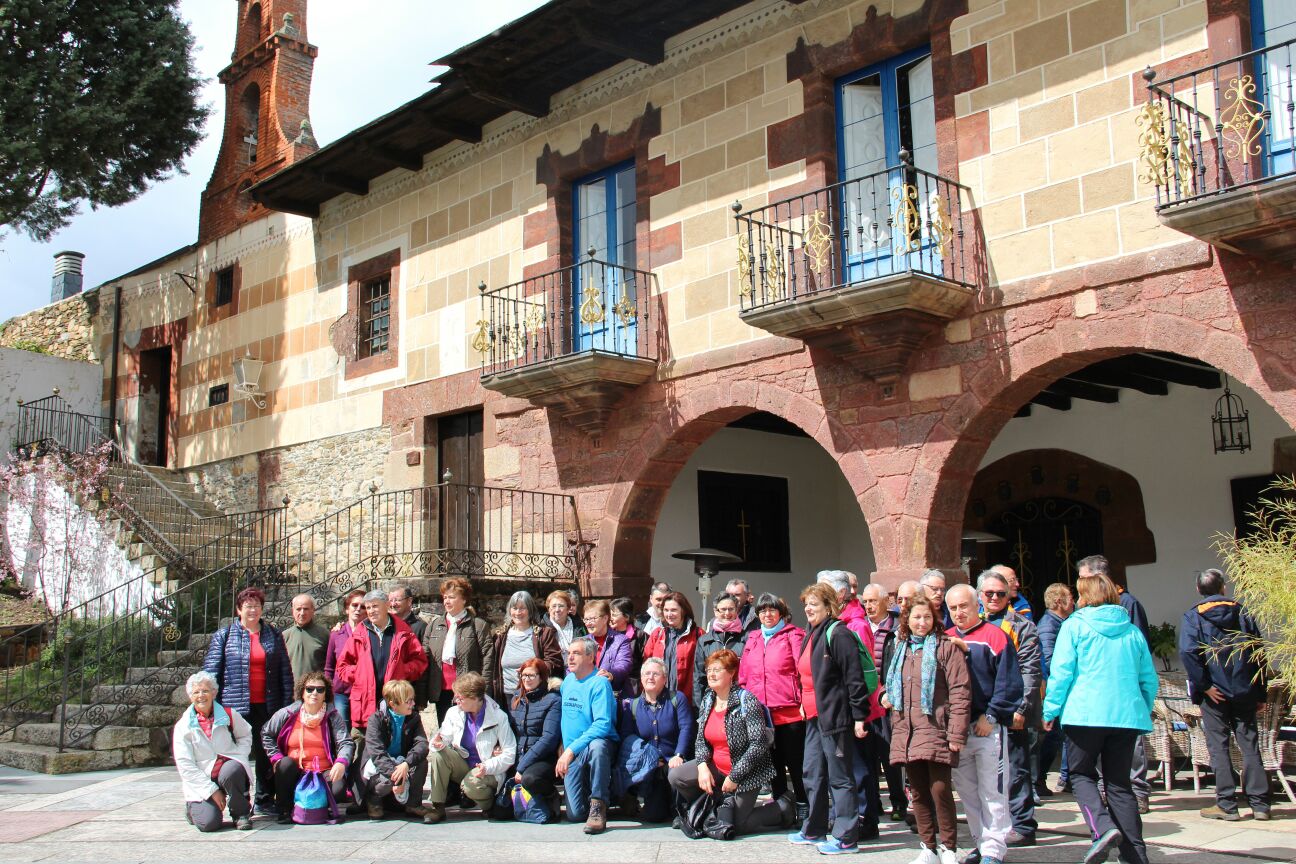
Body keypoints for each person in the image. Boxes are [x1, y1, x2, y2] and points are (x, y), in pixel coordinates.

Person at [1043, 570, 1157, 864]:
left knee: (1081, 775)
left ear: (1087, 596)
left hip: (1085, 715)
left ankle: (1102, 829)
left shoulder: (1074, 626)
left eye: (1080, 593)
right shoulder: (1131, 631)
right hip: (1125, 717)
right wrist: (1140, 706)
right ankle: (1136, 857)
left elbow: (1062, 673)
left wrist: (1050, 710)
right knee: (1120, 785)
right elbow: (1149, 679)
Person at [881, 597, 970, 864]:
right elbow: (887, 682)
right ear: (907, 620)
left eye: (927, 617)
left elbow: (960, 692)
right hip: (906, 730)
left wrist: (956, 733)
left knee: (941, 790)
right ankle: (929, 847)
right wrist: (883, 696)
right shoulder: (900, 648)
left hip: (936, 729)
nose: (922, 623)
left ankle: (950, 848)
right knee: (917, 792)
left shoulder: (945, 648)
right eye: (917, 617)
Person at [788, 582, 873, 855]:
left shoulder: (839, 634)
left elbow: (854, 677)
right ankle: (814, 828)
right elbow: (807, 676)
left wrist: (860, 716)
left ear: (829, 606)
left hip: (835, 717)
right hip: (813, 716)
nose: (808, 609)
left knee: (840, 777)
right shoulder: (812, 633)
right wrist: (802, 701)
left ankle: (846, 836)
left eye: (814, 604)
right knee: (812, 773)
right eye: (806, 604)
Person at [1179, 568, 1271, 821]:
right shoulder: (1243, 612)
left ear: (1199, 589)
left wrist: (1204, 685)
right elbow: (1258, 653)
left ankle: (1227, 804)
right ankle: (1260, 804)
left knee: (1218, 746)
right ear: (1223, 587)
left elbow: (1188, 652)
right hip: (1244, 688)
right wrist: (1260, 690)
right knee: (1249, 743)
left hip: (1214, 694)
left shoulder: (1193, 616)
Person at [669, 649, 791, 837]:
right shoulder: (708, 699)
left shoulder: (746, 700)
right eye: (709, 669)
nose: (711, 674)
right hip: (717, 766)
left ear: (732, 673)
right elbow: (701, 739)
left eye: (717, 669)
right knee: (676, 776)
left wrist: (735, 776)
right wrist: (702, 766)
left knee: (738, 825)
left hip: (747, 772)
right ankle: (714, 807)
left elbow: (758, 745)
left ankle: (782, 808)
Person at [946, 583, 1020, 864]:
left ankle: (993, 850)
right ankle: (980, 843)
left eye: (963, 606)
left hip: (987, 729)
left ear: (976, 604)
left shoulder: (996, 637)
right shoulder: (946, 637)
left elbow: (1009, 683)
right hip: (958, 732)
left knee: (993, 791)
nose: (958, 612)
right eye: (952, 608)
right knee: (967, 793)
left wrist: (991, 716)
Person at [203, 587, 294, 814]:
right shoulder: (224, 636)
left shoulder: (273, 634)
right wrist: (211, 706)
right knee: (237, 753)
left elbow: (285, 672)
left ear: (262, 609)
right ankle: (241, 801)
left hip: (268, 705)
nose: (252, 610)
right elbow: (211, 673)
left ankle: (264, 799)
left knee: (266, 753)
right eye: (248, 606)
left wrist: (285, 706)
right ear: (238, 609)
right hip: (234, 707)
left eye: (256, 606)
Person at [1078, 554, 1152, 812]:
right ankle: (1106, 791)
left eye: (1084, 578)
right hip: (1098, 696)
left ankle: (1138, 791)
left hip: (1125, 689)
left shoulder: (1127, 602)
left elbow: (1142, 649)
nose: (1080, 584)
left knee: (1131, 751)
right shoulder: (1084, 614)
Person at [979, 569, 1042, 848]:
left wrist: (1023, 707)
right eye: (989, 593)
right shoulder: (973, 622)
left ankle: (1023, 825)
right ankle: (995, 825)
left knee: (1016, 770)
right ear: (980, 595)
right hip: (983, 710)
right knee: (988, 773)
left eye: (1000, 593)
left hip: (1012, 708)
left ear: (1009, 596)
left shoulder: (1021, 625)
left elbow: (1031, 670)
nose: (994, 598)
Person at [817, 568, 882, 839]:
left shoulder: (854, 624)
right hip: (840, 710)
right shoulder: (835, 621)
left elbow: (862, 674)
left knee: (859, 767)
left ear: (841, 593)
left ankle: (866, 819)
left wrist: (859, 712)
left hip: (858, 711)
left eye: (824, 589)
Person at [738, 593, 806, 817]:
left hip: (789, 712)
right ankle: (782, 807)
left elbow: (803, 671)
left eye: (772, 610)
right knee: (773, 765)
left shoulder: (794, 635)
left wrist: (803, 700)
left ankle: (804, 805)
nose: (767, 614)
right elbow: (744, 675)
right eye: (762, 611)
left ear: (781, 613)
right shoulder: (754, 638)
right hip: (762, 714)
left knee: (796, 763)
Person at [262, 670, 353, 824]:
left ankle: (322, 806)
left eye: (320, 689)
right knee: (285, 764)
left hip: (323, 771)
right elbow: (266, 733)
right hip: (296, 771)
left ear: (326, 694)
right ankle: (285, 808)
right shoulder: (287, 713)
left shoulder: (333, 717)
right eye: (309, 689)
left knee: (338, 788)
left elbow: (346, 742)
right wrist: (275, 757)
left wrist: (341, 762)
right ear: (302, 693)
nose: (314, 693)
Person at [425, 672, 517, 823]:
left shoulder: (498, 717)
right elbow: (444, 736)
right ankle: (438, 807)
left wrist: (487, 766)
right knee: (438, 755)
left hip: (487, 770)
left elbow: (509, 753)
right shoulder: (453, 713)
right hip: (463, 765)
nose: (456, 701)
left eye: (460, 698)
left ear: (475, 698)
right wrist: (438, 742)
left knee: (471, 783)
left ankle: (489, 806)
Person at [335, 591, 429, 737]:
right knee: (361, 750)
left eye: (375, 606)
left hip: (395, 700)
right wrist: (360, 674)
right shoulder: (359, 633)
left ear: (386, 605)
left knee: (396, 748)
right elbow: (342, 666)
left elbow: (420, 661)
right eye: (369, 607)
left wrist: (402, 672)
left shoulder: (403, 632)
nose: (371, 611)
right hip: (365, 703)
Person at [173, 670, 254, 832]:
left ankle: (240, 814)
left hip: (226, 771)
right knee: (209, 824)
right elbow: (185, 766)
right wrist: (212, 791)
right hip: (202, 778)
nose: (201, 695)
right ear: (190, 696)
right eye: (196, 692)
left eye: (205, 691)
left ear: (214, 693)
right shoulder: (183, 726)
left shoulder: (229, 714)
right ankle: (192, 810)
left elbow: (245, 734)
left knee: (234, 768)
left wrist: (240, 755)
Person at [617, 657, 695, 822]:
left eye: (655, 674)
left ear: (665, 679)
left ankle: (681, 812)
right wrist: (649, 756)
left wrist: (679, 754)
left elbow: (686, 728)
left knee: (675, 776)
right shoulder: (632, 705)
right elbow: (627, 737)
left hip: (674, 761)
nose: (650, 677)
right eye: (646, 673)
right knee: (653, 816)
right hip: (651, 767)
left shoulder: (677, 699)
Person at [558, 638, 619, 833]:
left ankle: (598, 805)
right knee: (574, 814)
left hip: (596, 746)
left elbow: (602, 724)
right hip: (573, 751)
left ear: (591, 657)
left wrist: (570, 750)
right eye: (569, 653)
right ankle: (615, 797)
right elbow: (566, 718)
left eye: (576, 653)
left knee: (598, 746)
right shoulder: (567, 681)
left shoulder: (599, 683)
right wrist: (563, 745)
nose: (570, 657)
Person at [861, 582, 906, 821]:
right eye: (865, 601)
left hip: (887, 700)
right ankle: (874, 802)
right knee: (867, 756)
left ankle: (899, 803)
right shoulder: (859, 627)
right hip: (866, 701)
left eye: (873, 601)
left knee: (891, 756)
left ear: (886, 603)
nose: (868, 606)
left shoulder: (896, 629)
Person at [422, 577, 494, 724]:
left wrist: (483, 689)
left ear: (464, 599)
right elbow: (425, 657)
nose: (446, 601)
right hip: (441, 689)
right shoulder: (434, 625)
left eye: (452, 597)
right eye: (445, 597)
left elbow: (488, 657)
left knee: (467, 732)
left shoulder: (478, 625)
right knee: (446, 730)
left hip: (468, 690)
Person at [362, 678, 429, 820]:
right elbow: (377, 754)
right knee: (388, 779)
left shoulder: (414, 718)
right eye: (408, 701)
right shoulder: (376, 719)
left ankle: (413, 804)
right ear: (393, 704)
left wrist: (406, 764)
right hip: (382, 766)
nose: (413, 704)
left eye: (412, 700)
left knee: (421, 763)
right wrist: (399, 778)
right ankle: (374, 799)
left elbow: (422, 745)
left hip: (401, 763)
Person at [507, 658, 563, 819]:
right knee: (501, 812)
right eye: (524, 675)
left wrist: (522, 766)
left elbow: (548, 738)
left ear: (542, 677)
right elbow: (511, 729)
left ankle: (551, 795)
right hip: (519, 754)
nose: (526, 679)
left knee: (530, 779)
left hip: (543, 759)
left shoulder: (553, 700)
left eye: (531, 675)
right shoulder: (517, 698)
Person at [1035, 582, 1074, 797]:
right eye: (1070, 597)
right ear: (1059, 601)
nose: (1074, 601)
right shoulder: (1049, 625)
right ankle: (1041, 778)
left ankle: (1066, 777)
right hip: (1055, 687)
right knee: (1055, 735)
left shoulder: (1061, 622)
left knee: (1063, 735)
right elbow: (1048, 659)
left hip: (1060, 687)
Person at [492, 590, 563, 704]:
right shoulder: (500, 635)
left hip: (535, 695)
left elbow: (554, 661)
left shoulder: (543, 634)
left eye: (522, 608)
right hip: (506, 696)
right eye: (514, 608)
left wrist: (533, 669)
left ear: (530, 610)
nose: (518, 612)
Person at [693, 591, 749, 706]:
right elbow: (699, 678)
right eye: (723, 609)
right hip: (712, 703)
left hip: (740, 701)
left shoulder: (747, 639)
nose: (727, 613)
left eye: (731, 609)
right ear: (715, 611)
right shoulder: (704, 641)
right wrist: (700, 708)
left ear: (737, 610)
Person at [643, 591, 700, 703]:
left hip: (686, 700)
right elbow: (646, 665)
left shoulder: (698, 635)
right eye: (666, 610)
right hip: (658, 699)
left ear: (683, 611)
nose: (669, 614)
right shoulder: (657, 635)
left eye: (674, 610)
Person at [326, 588, 367, 729]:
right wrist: (328, 692)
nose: (358, 610)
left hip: (363, 692)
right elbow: (329, 667)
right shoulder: (336, 634)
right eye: (354, 605)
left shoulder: (371, 634)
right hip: (340, 693)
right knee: (341, 730)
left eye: (363, 607)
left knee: (360, 732)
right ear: (346, 609)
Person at [387, 583, 430, 711]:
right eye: (390, 600)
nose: (393, 604)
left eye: (397, 600)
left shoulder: (420, 627)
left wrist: (421, 697)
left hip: (409, 691)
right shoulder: (385, 625)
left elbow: (424, 664)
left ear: (409, 601)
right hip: (388, 690)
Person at [582, 599, 634, 696]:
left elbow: (624, 664)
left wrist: (611, 674)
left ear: (605, 618)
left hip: (612, 693)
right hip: (586, 694)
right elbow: (571, 667)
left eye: (592, 619)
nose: (588, 623)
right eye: (586, 619)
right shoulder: (581, 642)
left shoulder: (621, 640)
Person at [282, 594, 329, 682]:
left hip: (315, 691)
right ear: (293, 611)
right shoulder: (284, 636)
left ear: (313, 610)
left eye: (306, 609)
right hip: (291, 691)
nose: (302, 613)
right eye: (298, 609)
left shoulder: (324, 635)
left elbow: (331, 666)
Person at [610, 596, 647, 692]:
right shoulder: (608, 635)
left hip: (633, 685)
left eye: (614, 615)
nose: (611, 618)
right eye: (610, 614)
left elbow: (646, 661)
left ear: (626, 617)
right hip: (611, 683)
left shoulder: (639, 635)